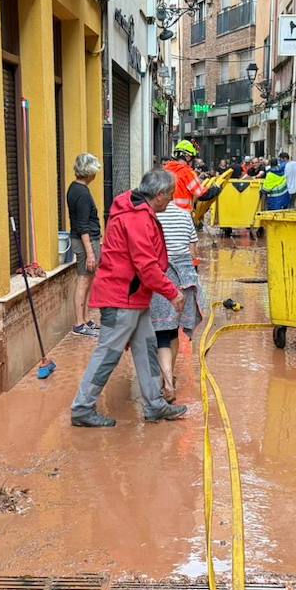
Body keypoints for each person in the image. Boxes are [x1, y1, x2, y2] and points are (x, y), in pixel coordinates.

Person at [71, 170, 189, 427]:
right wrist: (173, 293)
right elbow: (146, 266)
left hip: (133, 298)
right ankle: (82, 408)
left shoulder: (138, 210)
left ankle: (154, 405)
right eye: (169, 196)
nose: (171, 201)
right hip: (122, 298)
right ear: (158, 195)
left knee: (147, 350)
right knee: (108, 354)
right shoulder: (137, 217)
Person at [149, 196, 206, 402]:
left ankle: (165, 382)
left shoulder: (152, 217)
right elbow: (192, 252)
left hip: (160, 277)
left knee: (161, 332)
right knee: (173, 331)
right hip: (184, 279)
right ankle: (168, 377)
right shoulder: (185, 216)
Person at [66, 153, 102, 337]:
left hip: (86, 241)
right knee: (83, 280)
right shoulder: (81, 193)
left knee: (87, 280)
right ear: (89, 172)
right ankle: (79, 324)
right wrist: (90, 253)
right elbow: (82, 226)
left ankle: (85, 319)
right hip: (85, 242)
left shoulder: (76, 189)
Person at [164, 139, 222, 212]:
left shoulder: (164, 170)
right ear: (187, 156)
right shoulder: (187, 172)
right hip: (182, 215)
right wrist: (215, 189)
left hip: (163, 215)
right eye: (192, 159)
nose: (192, 163)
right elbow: (201, 194)